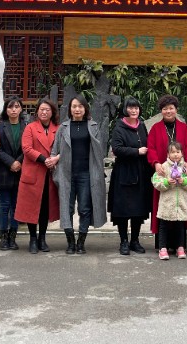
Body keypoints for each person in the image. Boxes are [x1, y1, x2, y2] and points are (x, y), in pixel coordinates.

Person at [51, 94, 108, 254]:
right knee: (67, 208)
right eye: (74, 106)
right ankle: (70, 242)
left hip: (86, 174)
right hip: (66, 174)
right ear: (70, 109)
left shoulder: (93, 126)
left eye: (80, 106)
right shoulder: (63, 127)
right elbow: (55, 150)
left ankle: (81, 242)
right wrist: (54, 161)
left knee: (84, 208)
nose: (77, 109)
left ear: (85, 108)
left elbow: (99, 151)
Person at [146, 94, 187, 251]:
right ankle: (163, 245)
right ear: (161, 111)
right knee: (163, 208)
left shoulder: (183, 128)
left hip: (181, 173)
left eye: (171, 108)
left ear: (176, 110)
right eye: (165, 109)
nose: (168, 111)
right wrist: (155, 163)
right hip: (163, 172)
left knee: (181, 207)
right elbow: (151, 148)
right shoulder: (155, 128)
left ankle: (179, 245)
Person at [108, 97, 152, 255]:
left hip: (141, 172)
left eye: (136, 108)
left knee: (138, 209)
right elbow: (116, 149)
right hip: (124, 173)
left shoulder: (142, 125)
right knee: (123, 210)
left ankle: (135, 240)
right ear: (125, 109)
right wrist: (136, 151)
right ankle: (124, 241)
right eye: (131, 108)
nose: (134, 110)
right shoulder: (119, 127)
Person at [15, 98, 60, 253]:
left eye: (47, 109)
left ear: (52, 112)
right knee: (32, 207)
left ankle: (42, 238)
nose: (44, 112)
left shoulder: (58, 129)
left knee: (45, 208)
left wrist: (55, 158)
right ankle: (33, 239)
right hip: (34, 172)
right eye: (41, 109)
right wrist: (44, 159)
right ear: (37, 111)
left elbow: (63, 148)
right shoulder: (30, 128)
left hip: (50, 174)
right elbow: (26, 148)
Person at [152, 141, 187, 260]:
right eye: (172, 152)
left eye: (178, 152)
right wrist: (166, 182)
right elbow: (155, 181)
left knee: (180, 226)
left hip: (181, 202)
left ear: (182, 153)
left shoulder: (186, 167)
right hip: (166, 203)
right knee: (164, 225)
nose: (175, 154)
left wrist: (184, 181)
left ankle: (180, 247)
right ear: (168, 154)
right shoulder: (163, 167)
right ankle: (162, 248)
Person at [0, 96, 26, 251]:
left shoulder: (26, 126)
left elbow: (28, 147)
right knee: (4, 205)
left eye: (17, 106)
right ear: (6, 110)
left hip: (21, 170)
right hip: (4, 170)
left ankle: (13, 237)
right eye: (10, 107)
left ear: (21, 109)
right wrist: (11, 162)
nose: (13, 110)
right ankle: (3, 238)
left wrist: (18, 161)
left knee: (16, 206)